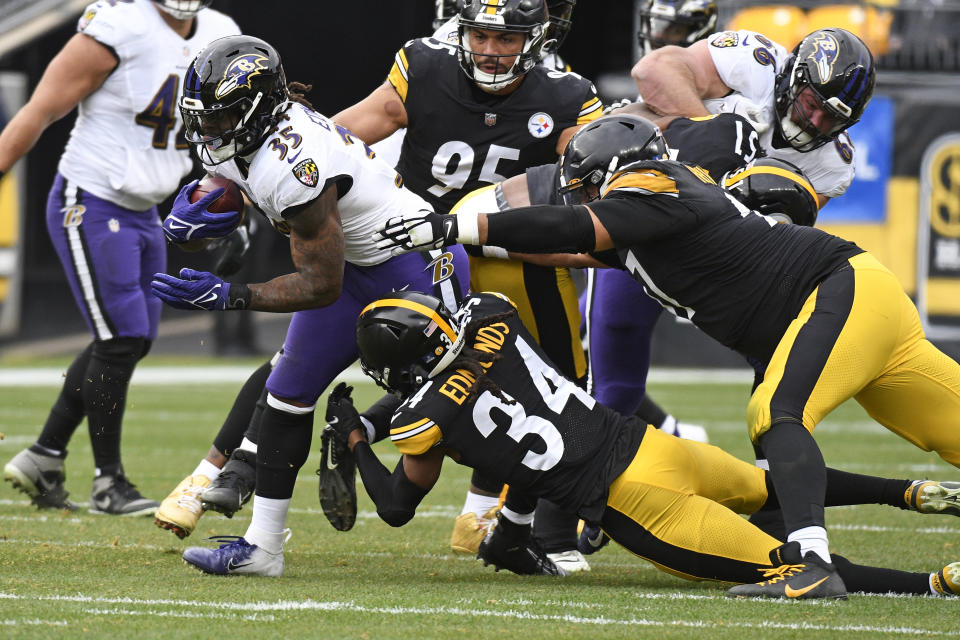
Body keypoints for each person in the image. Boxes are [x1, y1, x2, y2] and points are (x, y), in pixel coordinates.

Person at [374, 115, 960, 599]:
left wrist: (453, 224)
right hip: (862, 300)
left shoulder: (657, 184)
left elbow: (572, 224)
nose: (580, 194)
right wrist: (464, 233)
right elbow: (559, 241)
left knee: (777, 415)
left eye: (585, 183)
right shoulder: (649, 224)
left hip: (834, 289)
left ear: (616, 173)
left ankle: (810, 561)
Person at [322, 289, 960, 598]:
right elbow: (470, 380)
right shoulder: (493, 316)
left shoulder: (425, 419)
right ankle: (910, 491)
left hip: (632, 498)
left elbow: (398, 504)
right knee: (774, 488)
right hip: (652, 444)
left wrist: (356, 438)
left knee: (791, 567)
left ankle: (934, 585)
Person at [149, 35, 469, 574]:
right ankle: (263, 549)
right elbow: (225, 176)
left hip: (411, 265)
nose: (209, 130)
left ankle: (528, 517)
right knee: (286, 395)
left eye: (222, 117)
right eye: (202, 117)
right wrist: (203, 206)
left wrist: (230, 295)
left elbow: (321, 284)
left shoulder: (294, 162)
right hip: (356, 266)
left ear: (256, 109)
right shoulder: (238, 135)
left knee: (441, 411)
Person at [333, 0, 601, 570]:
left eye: (506, 38)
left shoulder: (567, 93)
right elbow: (339, 137)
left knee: (563, 389)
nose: (490, 48)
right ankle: (320, 442)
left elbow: (591, 169)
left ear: (536, 37)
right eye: (481, 33)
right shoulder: (424, 64)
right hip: (434, 259)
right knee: (438, 380)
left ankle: (507, 522)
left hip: (525, 258)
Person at [0, 0, 239, 515]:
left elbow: (233, 135)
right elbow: (40, 109)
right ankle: (108, 482)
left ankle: (44, 454)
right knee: (121, 336)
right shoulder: (119, 25)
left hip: (145, 209)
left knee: (133, 341)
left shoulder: (221, 33)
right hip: (90, 198)